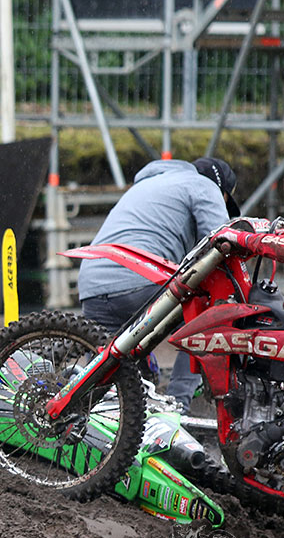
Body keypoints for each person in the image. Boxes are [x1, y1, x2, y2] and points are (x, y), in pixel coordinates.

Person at [77, 158, 239, 413]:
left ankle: (87, 419)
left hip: (92, 284)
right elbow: (223, 243)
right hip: (138, 280)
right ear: (222, 193)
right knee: (210, 323)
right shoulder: (203, 185)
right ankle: (178, 406)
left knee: (103, 382)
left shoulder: (149, 185)